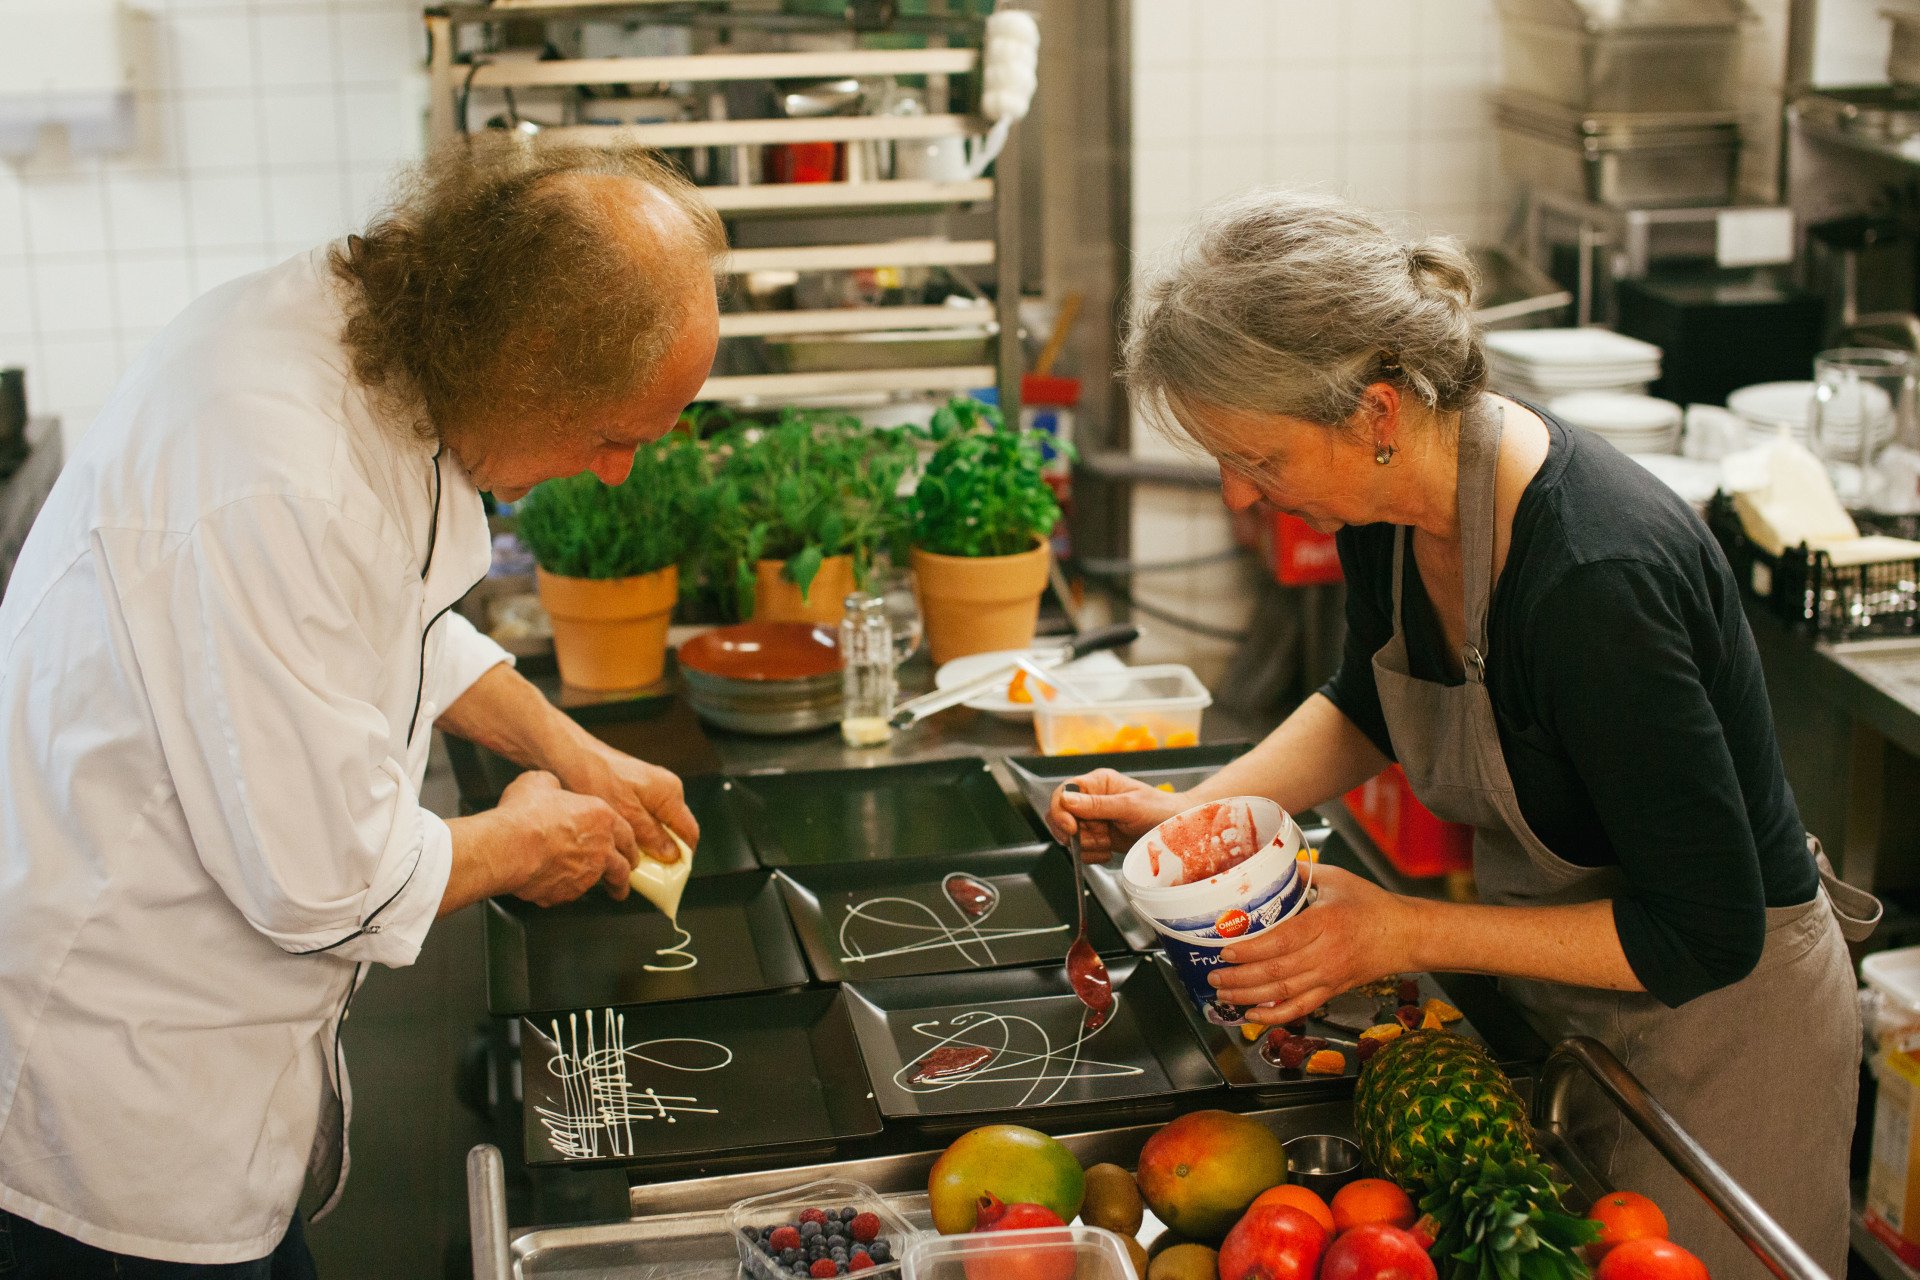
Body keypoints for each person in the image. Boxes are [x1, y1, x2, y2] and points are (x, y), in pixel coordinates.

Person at [1048, 190, 1879, 1280]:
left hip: (1719, 1048)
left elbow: (1702, 930)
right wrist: (1198, 818)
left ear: (1377, 414)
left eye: (1259, 457)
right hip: (1574, 1020)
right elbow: (1365, 700)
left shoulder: (1592, 580)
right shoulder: (1390, 514)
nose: (1238, 493)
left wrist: (1400, 930)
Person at [0, 140, 725, 1275]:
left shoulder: (380, 336)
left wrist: (568, 746)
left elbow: (389, 618)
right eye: (614, 436)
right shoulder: (274, 464)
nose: (620, 473)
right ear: (530, 364)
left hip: (208, 1054)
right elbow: (324, 876)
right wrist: (534, 837)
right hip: (115, 1094)